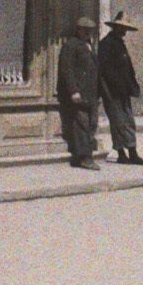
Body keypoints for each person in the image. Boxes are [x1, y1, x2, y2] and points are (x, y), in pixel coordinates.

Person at [97, 12, 143, 166]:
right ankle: (121, 153)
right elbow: (103, 70)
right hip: (112, 91)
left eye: (125, 28)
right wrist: (108, 91)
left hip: (123, 90)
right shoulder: (106, 44)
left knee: (128, 121)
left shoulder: (119, 43)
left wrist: (131, 86)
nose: (124, 31)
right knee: (118, 122)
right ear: (116, 27)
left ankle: (133, 152)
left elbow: (127, 69)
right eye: (122, 27)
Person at [56, 15, 100, 169]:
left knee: (92, 124)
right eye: (85, 31)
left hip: (91, 93)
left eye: (90, 31)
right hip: (79, 94)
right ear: (78, 30)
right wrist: (73, 91)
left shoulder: (88, 46)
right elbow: (66, 70)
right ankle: (83, 157)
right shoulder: (71, 46)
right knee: (81, 124)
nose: (88, 34)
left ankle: (88, 153)